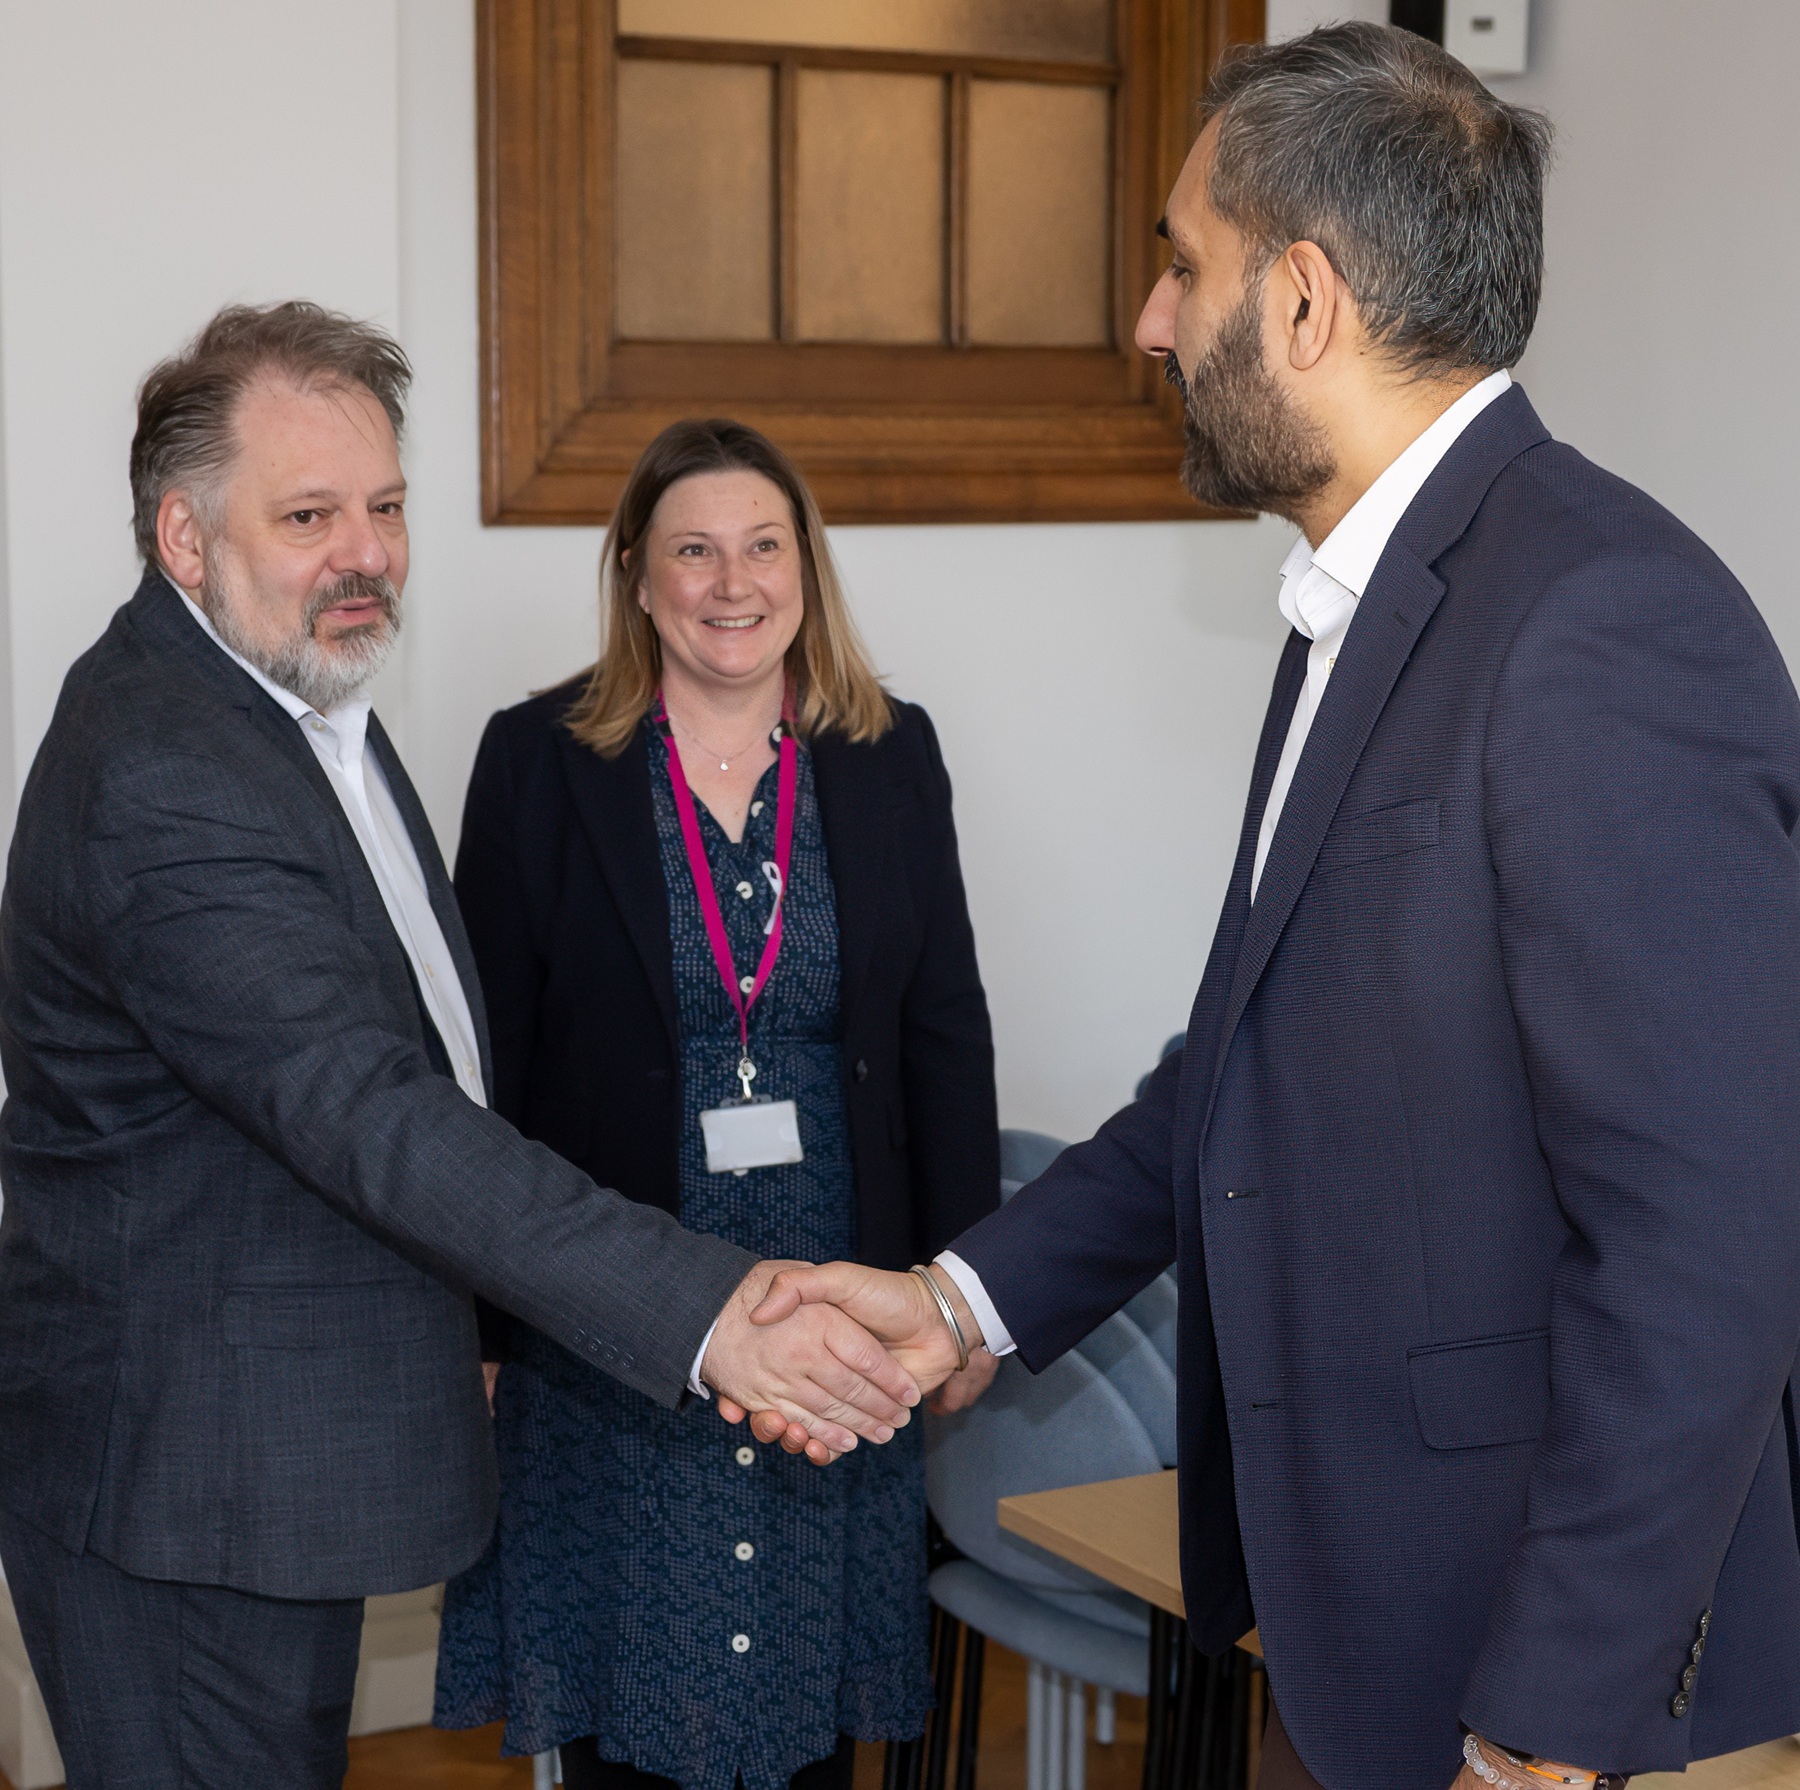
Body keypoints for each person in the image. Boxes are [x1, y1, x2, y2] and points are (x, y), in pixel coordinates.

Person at [740, 23, 1800, 1790]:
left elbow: (1707, 1242)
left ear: (1302, 302)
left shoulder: (1601, 622)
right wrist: (962, 1303)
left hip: (1556, 1696)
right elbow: (1235, 1072)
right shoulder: (1368, 600)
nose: (1152, 320)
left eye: (1182, 262)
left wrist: (1547, 1718)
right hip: (1353, 1623)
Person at [0, 306, 921, 1790]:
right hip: (188, 1489)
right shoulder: (169, 768)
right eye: (308, 515)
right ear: (184, 536)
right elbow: (373, 1112)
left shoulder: (289, 707)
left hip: (265, 1460)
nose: (362, 551)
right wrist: (712, 1310)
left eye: (385, 507)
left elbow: (426, 1059)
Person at [432, 418, 1001, 1790]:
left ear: (806, 569)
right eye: (693, 549)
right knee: (632, 1700)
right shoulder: (536, 763)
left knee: (803, 1700)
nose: (730, 581)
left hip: (839, 1301)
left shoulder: (889, 752)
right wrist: (485, 1315)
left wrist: (965, 1289)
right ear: (637, 574)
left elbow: (945, 1030)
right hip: (618, 1314)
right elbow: (480, 1065)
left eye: (762, 546)